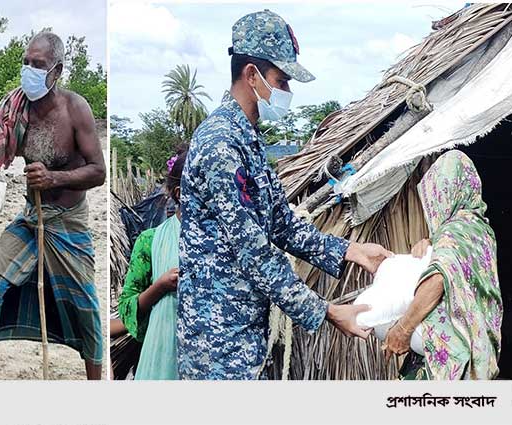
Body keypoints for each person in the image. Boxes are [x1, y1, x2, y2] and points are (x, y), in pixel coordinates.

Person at [177, 10, 394, 380]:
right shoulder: (220, 144)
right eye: (281, 81)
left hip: (244, 333)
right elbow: (254, 250)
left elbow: (283, 224)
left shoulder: (248, 140)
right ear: (251, 75)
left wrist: (352, 251)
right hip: (216, 344)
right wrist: (324, 311)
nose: (287, 93)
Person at [0, 31, 106, 380]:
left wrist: (54, 179)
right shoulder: (16, 108)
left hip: (68, 220)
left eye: (38, 65)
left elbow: (99, 171)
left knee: (84, 301)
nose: (29, 70)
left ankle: (95, 381)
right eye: (26, 62)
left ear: (55, 71)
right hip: (31, 216)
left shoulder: (76, 109)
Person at [384, 150, 502, 380]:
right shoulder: (479, 230)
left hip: (450, 365)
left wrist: (402, 329)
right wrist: (431, 242)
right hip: (475, 357)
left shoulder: (455, 231)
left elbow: (439, 278)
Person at [118, 147, 187, 380]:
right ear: (180, 193)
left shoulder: (226, 239)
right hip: (162, 356)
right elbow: (127, 305)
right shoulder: (150, 242)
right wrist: (160, 286)